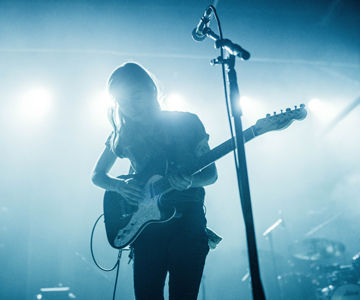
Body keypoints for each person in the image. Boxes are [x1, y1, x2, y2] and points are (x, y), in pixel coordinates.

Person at [91, 61, 218, 300]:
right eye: (122, 102)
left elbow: (211, 174)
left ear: (151, 89)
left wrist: (189, 182)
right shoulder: (122, 134)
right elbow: (97, 175)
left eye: (135, 96)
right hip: (146, 229)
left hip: (188, 224)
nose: (130, 107)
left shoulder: (187, 122)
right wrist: (120, 186)